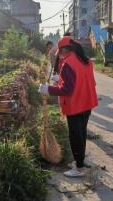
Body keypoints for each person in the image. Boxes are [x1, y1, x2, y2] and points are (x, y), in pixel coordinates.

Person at [38, 36, 98, 178]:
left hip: (76, 105)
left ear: (65, 49)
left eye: (61, 51)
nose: (61, 54)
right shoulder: (86, 61)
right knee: (81, 134)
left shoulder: (67, 64)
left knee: (75, 136)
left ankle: (79, 168)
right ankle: (80, 162)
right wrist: (61, 79)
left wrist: (49, 89)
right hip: (87, 103)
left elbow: (67, 90)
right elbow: (82, 79)